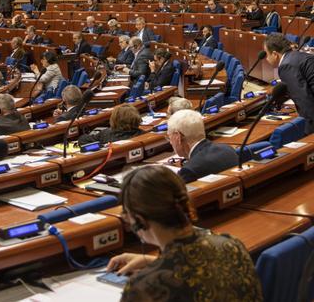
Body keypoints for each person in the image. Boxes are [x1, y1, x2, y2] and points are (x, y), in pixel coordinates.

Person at [106, 164, 262, 301]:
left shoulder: (145, 287)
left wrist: (158, 269)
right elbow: (199, 273)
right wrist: (156, 263)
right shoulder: (231, 245)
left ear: (140, 221)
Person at [167, 109, 239, 182]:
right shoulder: (228, 150)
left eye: (169, 137)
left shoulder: (189, 171)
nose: (170, 142)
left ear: (177, 137)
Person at [264, 33, 314, 134]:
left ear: (274, 54)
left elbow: (304, 100)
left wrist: (308, 135)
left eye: (266, 54)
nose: (266, 58)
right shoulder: (298, 56)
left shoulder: (286, 66)